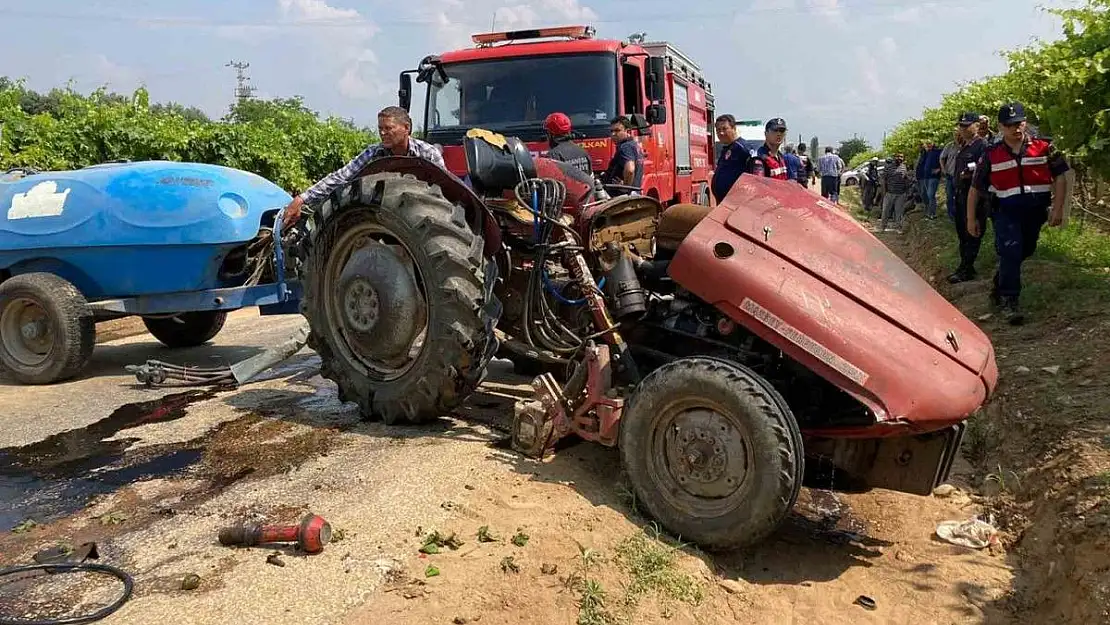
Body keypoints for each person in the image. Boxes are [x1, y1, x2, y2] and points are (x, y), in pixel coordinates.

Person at [969, 102, 1070, 324]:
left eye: (1019, 123)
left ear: (1025, 122)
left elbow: (1060, 176)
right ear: (1000, 127)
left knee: (1025, 250)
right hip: (1005, 212)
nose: (1015, 128)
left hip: (1035, 212)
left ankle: (1000, 282)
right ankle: (1009, 301)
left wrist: (1058, 208)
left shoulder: (1045, 147)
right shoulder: (990, 154)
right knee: (1011, 251)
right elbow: (975, 188)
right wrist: (971, 219)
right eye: (1009, 125)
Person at [281, 106, 444, 228]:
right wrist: (302, 198)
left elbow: (445, 192)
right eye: (380, 129)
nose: (383, 133)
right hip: (382, 216)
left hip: (424, 215)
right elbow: (341, 177)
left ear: (406, 128)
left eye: (388, 128)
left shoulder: (428, 154)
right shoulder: (373, 153)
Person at [947, 112, 989, 284]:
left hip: (975, 197)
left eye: (966, 125)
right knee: (962, 233)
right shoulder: (964, 147)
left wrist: (969, 175)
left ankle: (966, 268)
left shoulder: (982, 146)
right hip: (961, 195)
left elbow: (984, 171)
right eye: (961, 126)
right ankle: (965, 266)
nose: (963, 129)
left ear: (976, 126)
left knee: (972, 233)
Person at [710, 114, 752, 203]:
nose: (721, 133)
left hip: (736, 202)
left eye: (725, 129)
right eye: (718, 130)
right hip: (723, 202)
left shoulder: (742, 148)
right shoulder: (726, 148)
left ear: (734, 128)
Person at [602, 116, 644, 193]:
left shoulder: (625, 147)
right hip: (633, 195)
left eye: (617, 130)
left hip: (622, 198)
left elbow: (630, 170)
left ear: (627, 131)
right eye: (611, 131)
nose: (613, 134)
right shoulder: (634, 145)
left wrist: (625, 187)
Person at [542, 112, 592, 176]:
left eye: (547, 133)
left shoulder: (553, 156)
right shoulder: (583, 152)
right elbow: (590, 179)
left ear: (551, 134)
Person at [879, 153, 911, 233]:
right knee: (885, 211)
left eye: (901, 157)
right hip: (889, 193)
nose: (899, 158)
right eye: (898, 157)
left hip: (901, 193)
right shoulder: (888, 167)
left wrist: (907, 191)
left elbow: (906, 179)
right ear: (894, 158)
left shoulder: (904, 167)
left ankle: (899, 228)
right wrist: (884, 191)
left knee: (899, 212)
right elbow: (883, 179)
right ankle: (882, 227)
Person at [939, 128, 963, 222]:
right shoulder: (949, 146)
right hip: (950, 175)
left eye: (959, 135)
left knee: (959, 196)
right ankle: (951, 216)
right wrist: (943, 169)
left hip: (961, 176)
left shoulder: (966, 145)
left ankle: (960, 215)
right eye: (955, 135)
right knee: (950, 196)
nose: (957, 137)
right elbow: (942, 158)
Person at [919, 140, 943, 219]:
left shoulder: (938, 151)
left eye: (929, 143)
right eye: (927, 144)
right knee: (925, 194)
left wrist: (939, 169)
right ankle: (928, 211)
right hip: (926, 176)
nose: (928, 145)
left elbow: (944, 160)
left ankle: (933, 213)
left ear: (933, 143)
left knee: (930, 194)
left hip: (934, 177)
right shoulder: (926, 153)